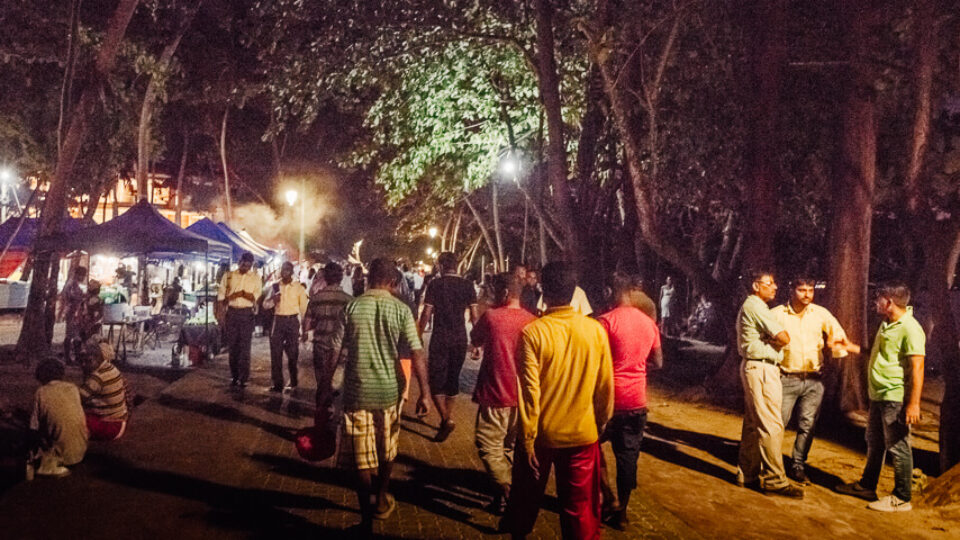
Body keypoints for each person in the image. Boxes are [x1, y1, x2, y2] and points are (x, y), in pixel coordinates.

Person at [503, 261, 614, 539]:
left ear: (544, 290)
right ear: (574, 291)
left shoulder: (533, 332)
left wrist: (527, 439)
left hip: (541, 436)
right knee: (580, 514)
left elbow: (530, 393)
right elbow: (605, 386)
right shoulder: (595, 331)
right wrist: (601, 422)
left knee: (524, 504)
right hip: (582, 434)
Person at [330, 258, 431, 531]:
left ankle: (365, 520)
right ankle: (382, 498)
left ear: (369, 279)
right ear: (393, 282)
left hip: (357, 391)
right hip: (390, 391)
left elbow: (334, 351)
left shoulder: (351, 307)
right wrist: (425, 393)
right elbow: (417, 351)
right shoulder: (401, 309)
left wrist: (324, 386)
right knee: (387, 449)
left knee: (361, 458)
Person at [836, 282, 925, 512]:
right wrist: (852, 347)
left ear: (889, 302)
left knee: (898, 445)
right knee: (875, 442)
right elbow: (881, 354)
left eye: (878, 299)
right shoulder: (887, 323)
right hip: (879, 394)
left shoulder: (910, 328)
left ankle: (902, 497)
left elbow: (918, 367)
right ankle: (867, 485)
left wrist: (913, 404)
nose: (875, 302)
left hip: (894, 396)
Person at [772, 277, 858, 484]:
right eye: (802, 290)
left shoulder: (820, 314)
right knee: (777, 423)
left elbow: (837, 333)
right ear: (792, 290)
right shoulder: (777, 315)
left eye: (810, 290)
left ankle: (798, 465)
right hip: (786, 378)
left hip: (813, 380)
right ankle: (770, 463)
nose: (807, 294)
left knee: (807, 424)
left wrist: (836, 352)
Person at [596, 272, 663, 530]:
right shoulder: (648, 324)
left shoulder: (605, 322)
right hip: (636, 401)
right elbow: (658, 361)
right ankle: (622, 512)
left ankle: (608, 497)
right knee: (627, 458)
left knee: (590, 447)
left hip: (608, 401)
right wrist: (636, 366)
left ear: (609, 291)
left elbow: (595, 360)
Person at [469, 273, 536, 514]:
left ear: (505, 293)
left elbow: (475, 338)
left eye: (496, 291)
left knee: (487, 445)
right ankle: (501, 499)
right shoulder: (532, 320)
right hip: (522, 397)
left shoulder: (492, 316)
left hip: (495, 392)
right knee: (508, 447)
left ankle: (508, 490)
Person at [735, 270, 803, 498]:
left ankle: (747, 473)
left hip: (756, 367)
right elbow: (784, 337)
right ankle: (775, 480)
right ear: (756, 286)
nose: (775, 287)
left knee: (753, 423)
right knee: (771, 424)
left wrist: (768, 338)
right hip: (762, 368)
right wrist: (774, 340)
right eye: (770, 283)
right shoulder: (756, 306)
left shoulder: (753, 306)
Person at [417, 251, 478, 442]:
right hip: (460, 338)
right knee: (452, 380)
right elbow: (474, 315)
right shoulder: (467, 285)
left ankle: (446, 419)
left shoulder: (435, 284)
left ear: (441, 266)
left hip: (440, 338)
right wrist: (477, 341)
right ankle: (446, 420)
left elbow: (426, 313)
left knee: (435, 381)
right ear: (456, 265)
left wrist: (417, 335)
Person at [27, 359, 88, 478]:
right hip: (81, 451)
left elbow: (33, 426)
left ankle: (50, 462)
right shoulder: (73, 388)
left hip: (61, 456)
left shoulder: (41, 392)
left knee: (32, 433)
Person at [307, 262, 354, 407]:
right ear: (341, 278)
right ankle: (331, 409)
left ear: (325, 278)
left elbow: (307, 324)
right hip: (341, 350)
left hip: (320, 346)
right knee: (335, 385)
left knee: (322, 382)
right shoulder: (349, 301)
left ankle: (322, 410)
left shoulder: (315, 299)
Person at [218, 252, 262, 388]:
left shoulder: (255, 278)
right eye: (243, 264)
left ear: (251, 265)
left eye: (248, 266)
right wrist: (221, 317)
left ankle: (243, 378)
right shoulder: (228, 276)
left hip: (246, 314)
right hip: (232, 313)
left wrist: (241, 294)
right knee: (233, 347)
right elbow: (221, 298)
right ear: (239, 261)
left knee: (245, 347)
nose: (245, 268)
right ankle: (234, 376)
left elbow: (255, 296)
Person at [268, 261, 309, 393]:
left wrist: (304, 329)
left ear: (291, 272)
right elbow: (265, 304)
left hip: (292, 322)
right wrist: (273, 300)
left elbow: (304, 309)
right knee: (276, 353)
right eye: (282, 270)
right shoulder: (275, 286)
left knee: (292, 353)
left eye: (286, 270)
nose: (283, 272)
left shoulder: (298, 288)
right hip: (278, 321)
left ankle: (293, 379)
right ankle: (278, 383)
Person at [79, 339, 129, 441]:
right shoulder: (111, 368)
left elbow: (77, 399)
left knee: (70, 418)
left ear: (98, 358)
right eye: (82, 361)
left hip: (110, 426)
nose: (83, 364)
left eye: (88, 361)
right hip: (120, 420)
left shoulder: (97, 378)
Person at [59, 266, 87, 364]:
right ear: (78, 274)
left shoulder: (73, 284)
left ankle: (75, 357)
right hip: (72, 311)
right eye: (82, 275)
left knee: (75, 334)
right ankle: (69, 358)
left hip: (74, 311)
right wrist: (82, 297)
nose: (83, 278)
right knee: (71, 334)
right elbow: (70, 297)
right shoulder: (72, 284)